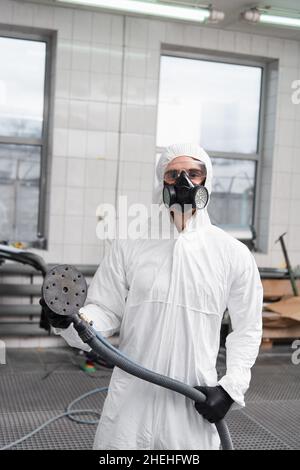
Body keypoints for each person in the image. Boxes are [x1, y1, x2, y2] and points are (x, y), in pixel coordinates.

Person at [40, 142, 263, 450]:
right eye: (173, 174)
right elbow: (105, 311)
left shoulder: (232, 254)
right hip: (131, 403)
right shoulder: (130, 244)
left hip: (191, 405)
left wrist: (230, 388)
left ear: (206, 181)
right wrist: (70, 320)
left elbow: (247, 329)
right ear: (162, 183)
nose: (184, 182)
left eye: (194, 173)